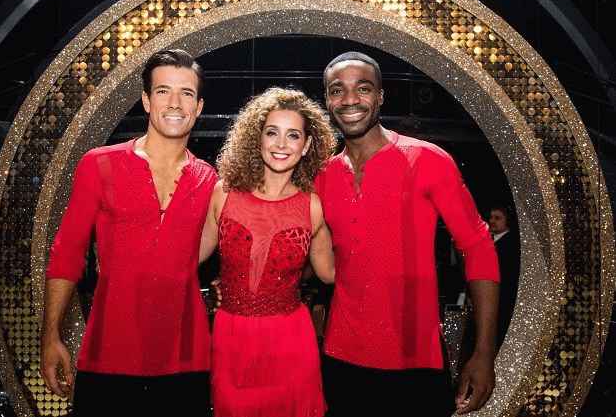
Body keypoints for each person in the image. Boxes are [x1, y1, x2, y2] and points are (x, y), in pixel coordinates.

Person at [315, 52, 501, 416]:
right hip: (340, 361)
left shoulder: (428, 160)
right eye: (337, 90)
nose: (350, 99)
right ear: (327, 100)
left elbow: (479, 249)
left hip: (415, 362)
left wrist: (483, 352)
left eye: (363, 88)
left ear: (381, 96)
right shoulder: (322, 175)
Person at [40, 49, 216, 416]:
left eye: (186, 93)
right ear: (146, 101)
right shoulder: (99, 164)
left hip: (186, 362)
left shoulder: (209, 179)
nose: (175, 103)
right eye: (163, 91)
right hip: (108, 357)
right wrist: (51, 335)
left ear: (199, 107)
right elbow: (67, 253)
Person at [199, 87, 336, 417]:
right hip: (231, 339)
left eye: (293, 135)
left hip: (291, 342)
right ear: (257, 138)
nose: (281, 144)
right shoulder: (223, 194)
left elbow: (331, 274)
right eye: (272, 132)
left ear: (306, 146)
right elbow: (186, 258)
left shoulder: (312, 206)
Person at [488, 205, 520, 347]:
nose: (492, 221)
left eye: (497, 218)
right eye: (491, 217)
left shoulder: (510, 243)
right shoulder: (490, 240)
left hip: (502, 297)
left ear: (507, 221)